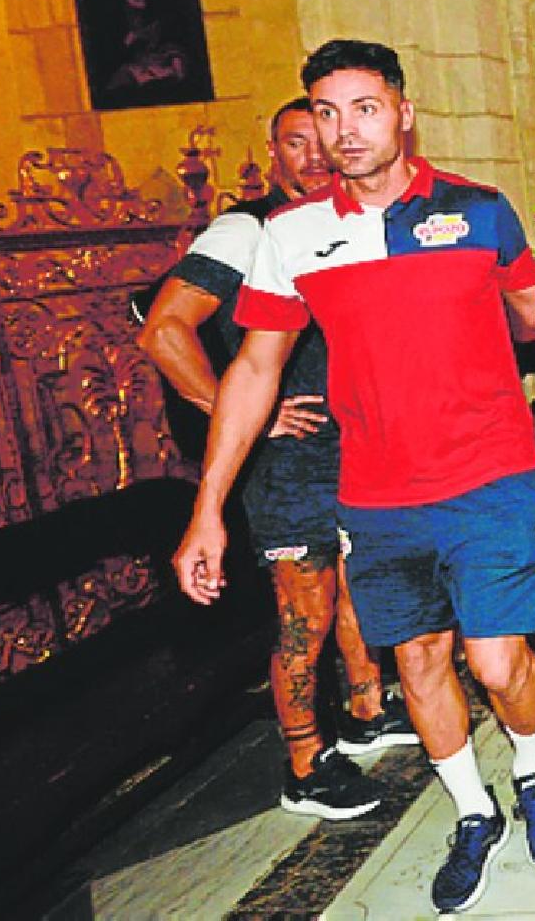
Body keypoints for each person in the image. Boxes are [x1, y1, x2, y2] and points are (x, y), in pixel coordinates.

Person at [170, 40, 535, 914]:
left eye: (363, 108)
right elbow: (251, 371)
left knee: (498, 662)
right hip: (378, 494)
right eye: (325, 111)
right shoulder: (293, 234)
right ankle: (475, 812)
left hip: (492, 474)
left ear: (402, 111)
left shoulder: (479, 211)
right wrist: (208, 509)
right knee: (419, 661)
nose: (343, 130)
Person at [140, 98, 418, 820]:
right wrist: (242, 418)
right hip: (289, 464)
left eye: (320, 136)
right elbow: (165, 330)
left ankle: (364, 712)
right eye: (293, 141)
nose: (313, 153)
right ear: (273, 153)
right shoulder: (245, 228)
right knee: (306, 613)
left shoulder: (333, 225)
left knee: (359, 588)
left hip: (352, 445)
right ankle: (304, 762)